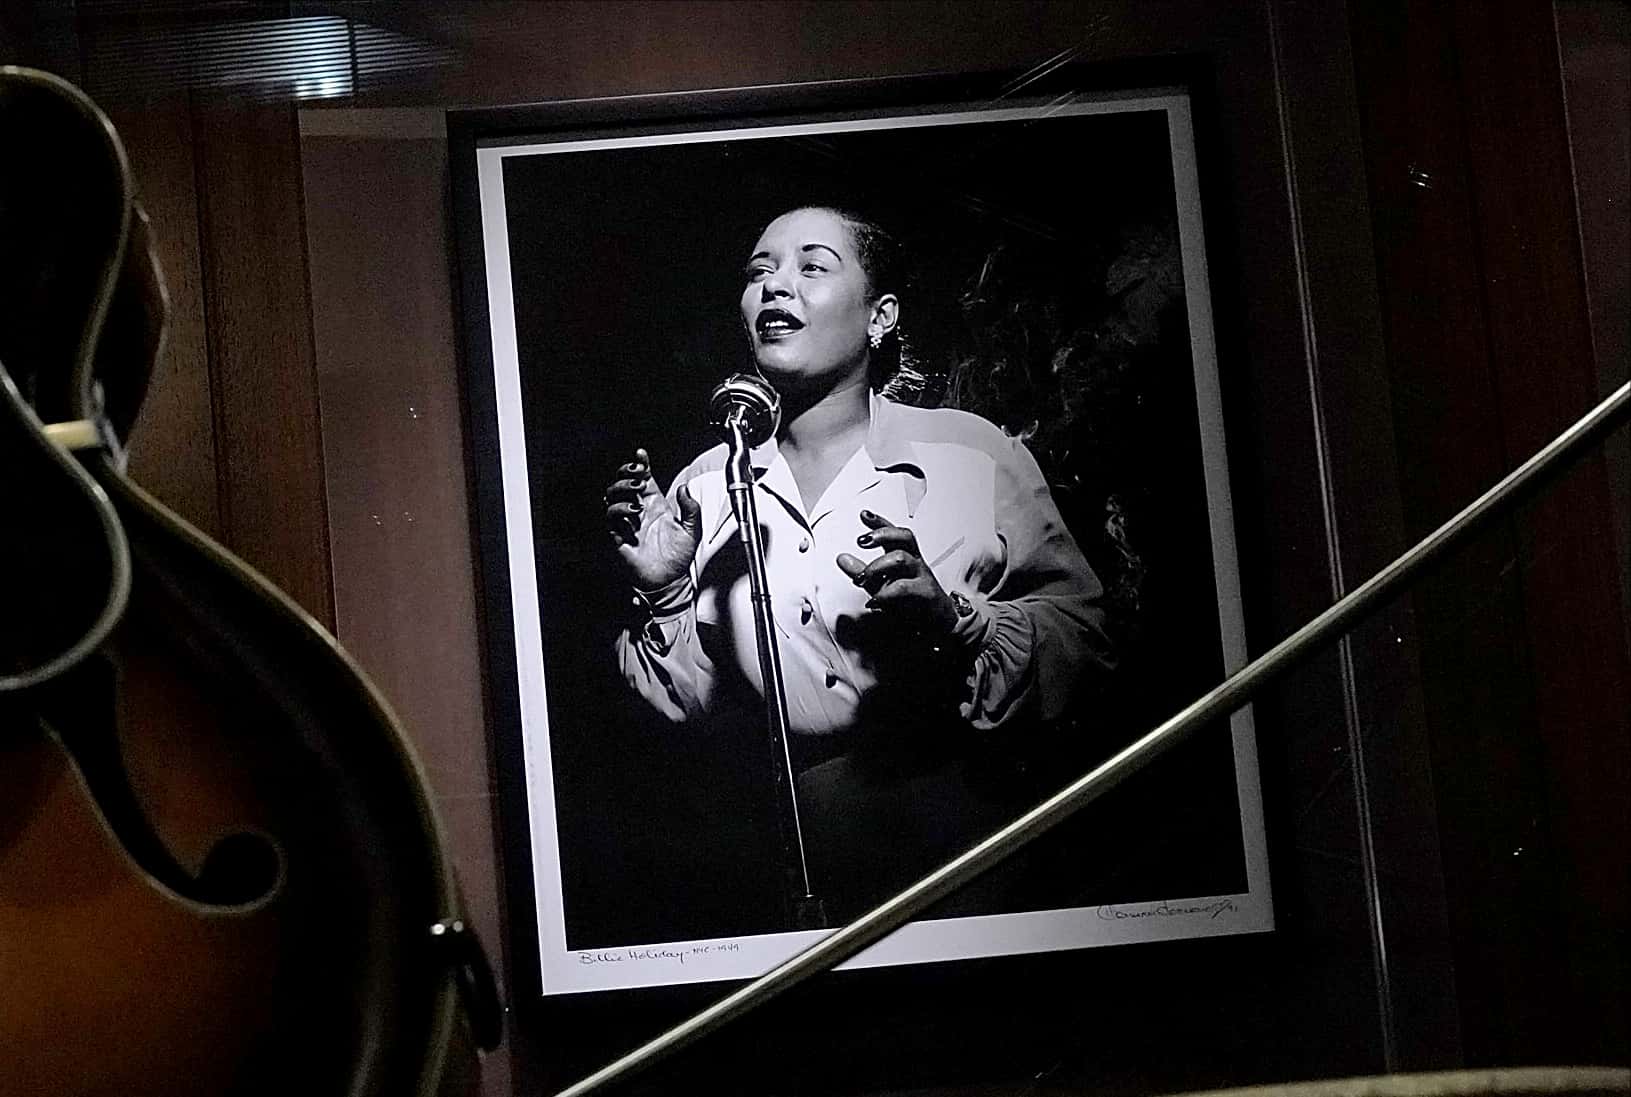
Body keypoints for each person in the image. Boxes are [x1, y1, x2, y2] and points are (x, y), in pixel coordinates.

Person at [603, 206, 1114, 922]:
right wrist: (662, 597)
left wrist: (955, 621)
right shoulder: (704, 489)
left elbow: (1087, 645)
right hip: (788, 864)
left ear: (880, 316)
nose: (775, 287)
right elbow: (681, 717)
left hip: (977, 843)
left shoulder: (970, 453)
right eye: (759, 272)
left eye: (811, 266)